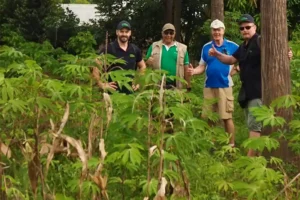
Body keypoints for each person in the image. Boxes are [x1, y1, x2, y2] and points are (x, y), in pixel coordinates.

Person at [208, 14, 293, 156]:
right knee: (252, 125)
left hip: (259, 91)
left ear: (255, 27)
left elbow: (278, 52)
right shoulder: (243, 47)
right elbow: (231, 59)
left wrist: (287, 54)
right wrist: (217, 54)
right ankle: (258, 156)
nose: (244, 30)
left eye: (248, 27)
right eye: (242, 28)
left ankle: (250, 160)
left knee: (255, 127)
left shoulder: (260, 41)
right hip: (247, 92)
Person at [187, 19, 239, 147]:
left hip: (225, 86)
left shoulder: (232, 46)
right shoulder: (206, 47)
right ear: (211, 31)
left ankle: (231, 146)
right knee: (209, 118)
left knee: (227, 117)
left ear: (223, 31)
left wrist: (236, 69)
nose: (216, 32)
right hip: (209, 87)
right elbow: (202, 66)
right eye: (214, 30)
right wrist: (194, 71)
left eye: (219, 29)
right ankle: (210, 144)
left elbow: (244, 60)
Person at [92, 20, 146, 93]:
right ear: (117, 32)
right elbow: (96, 66)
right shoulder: (108, 48)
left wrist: (138, 81)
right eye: (122, 31)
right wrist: (101, 84)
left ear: (130, 33)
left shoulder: (134, 49)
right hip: (113, 93)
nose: (124, 34)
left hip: (130, 92)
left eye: (126, 32)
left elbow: (143, 66)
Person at [145, 23, 191, 90]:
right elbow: (144, 65)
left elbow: (186, 68)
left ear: (174, 34)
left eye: (171, 33)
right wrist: (147, 63)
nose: (168, 35)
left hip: (177, 85)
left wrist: (188, 85)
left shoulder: (182, 48)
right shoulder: (154, 46)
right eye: (166, 33)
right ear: (162, 33)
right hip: (158, 85)